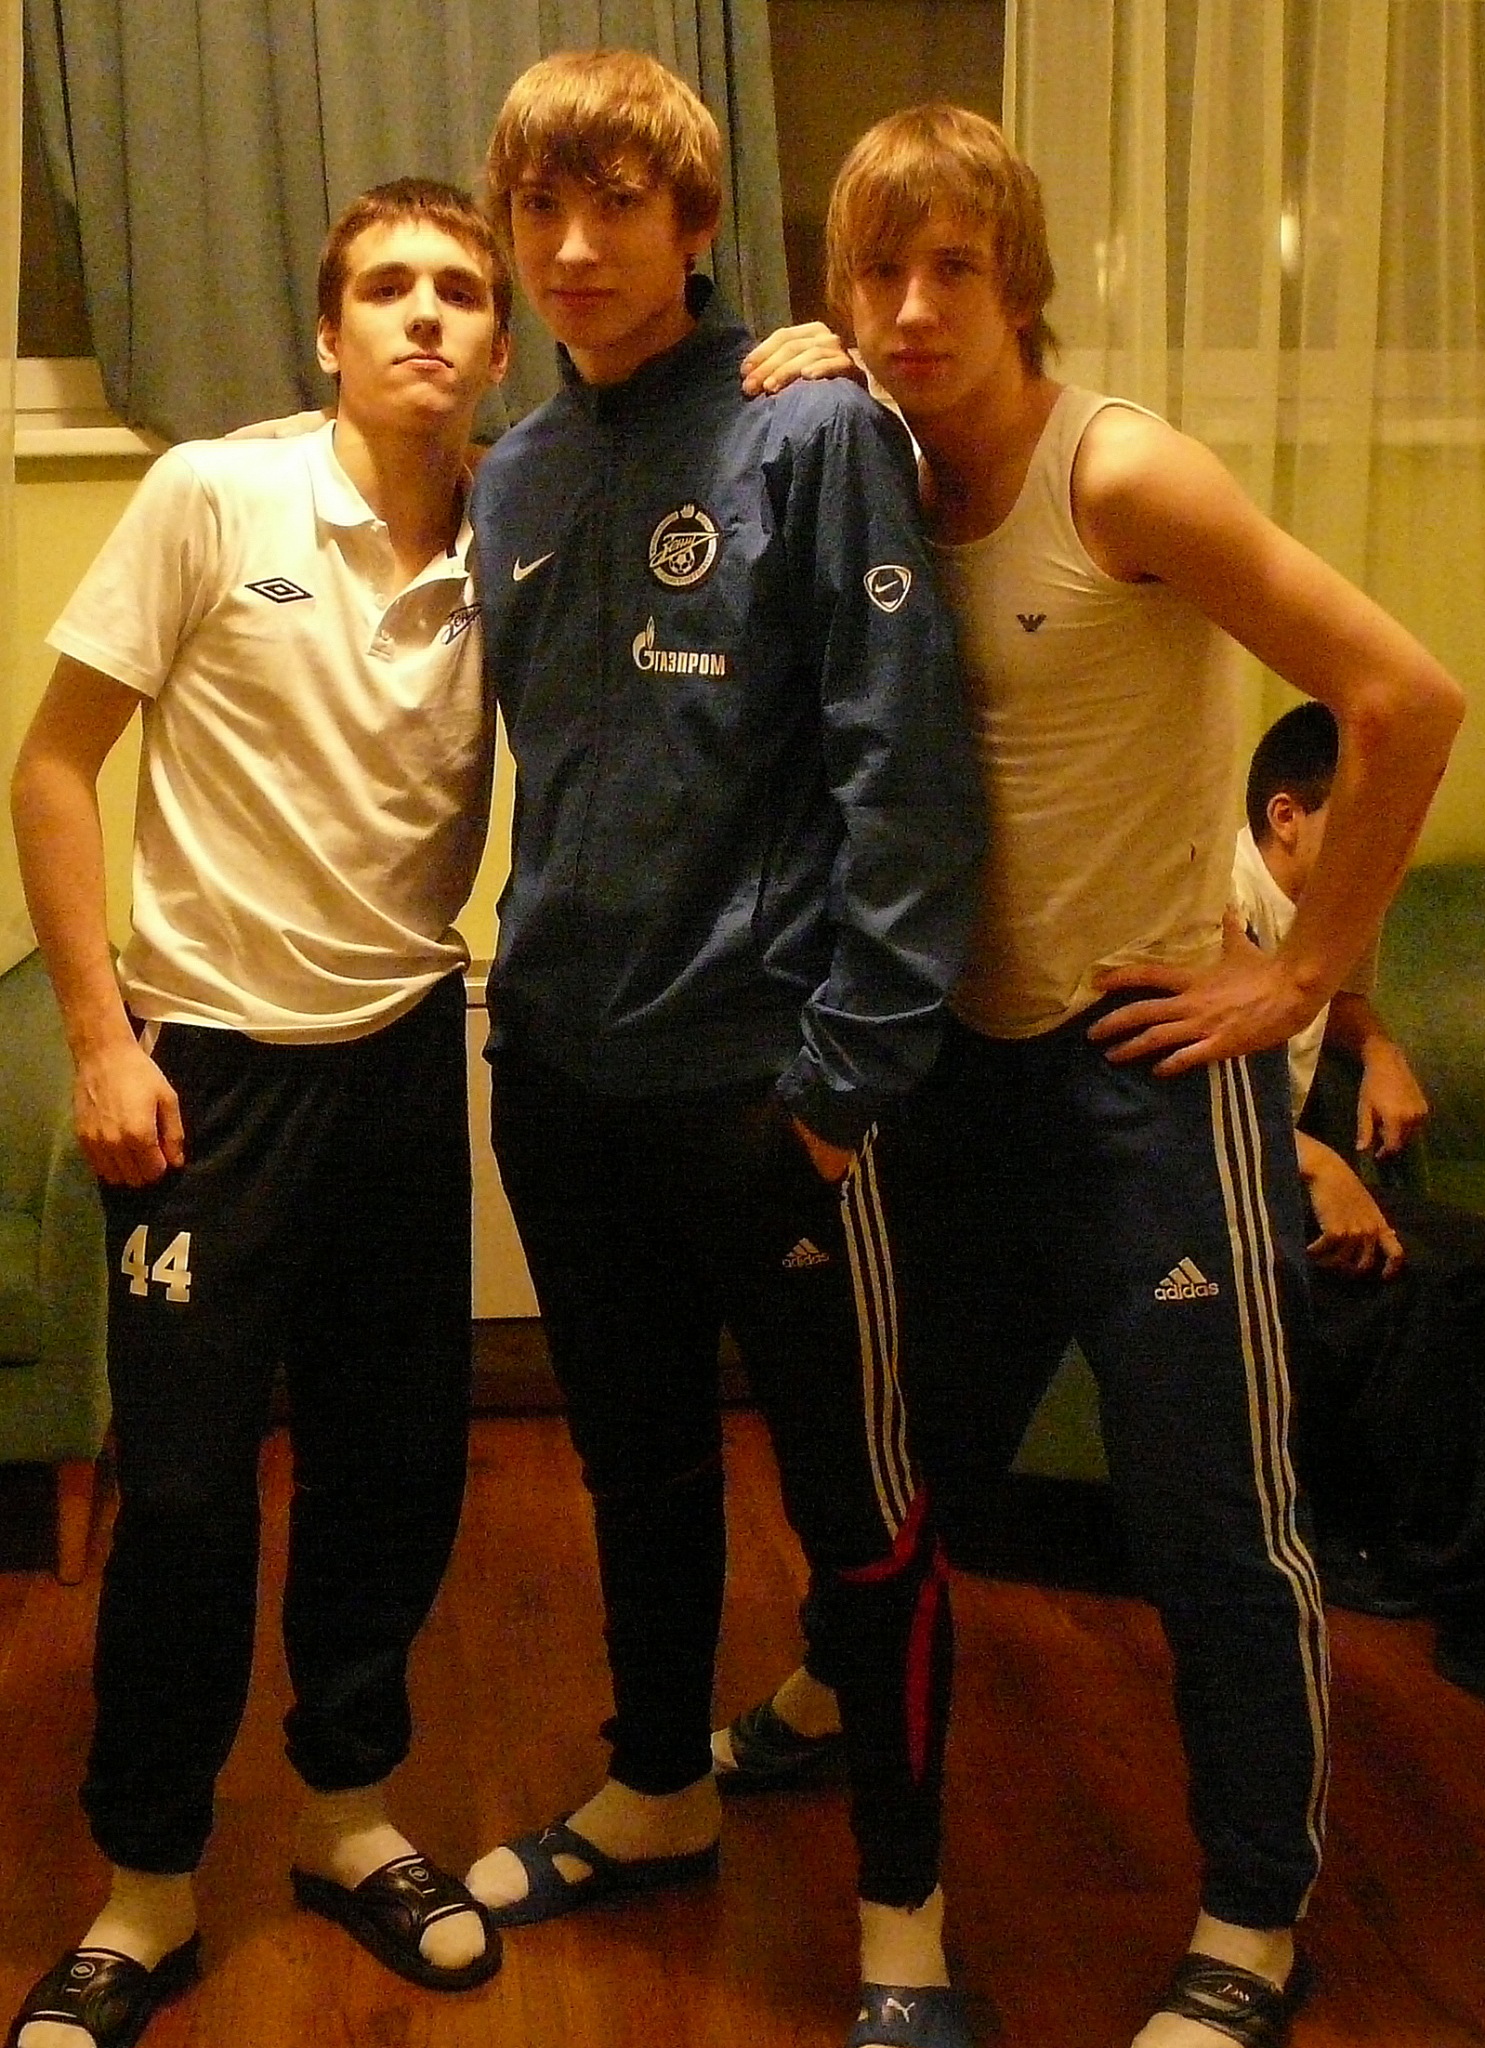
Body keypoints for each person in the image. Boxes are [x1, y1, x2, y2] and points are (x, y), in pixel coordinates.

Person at [715, 104, 1464, 2048]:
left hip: (1140, 1074)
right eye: (876, 271)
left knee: (1212, 1515)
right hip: (943, 1072)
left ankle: (1255, 1915)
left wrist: (1300, 973)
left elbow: (1403, 698)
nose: (911, 305)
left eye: (951, 267)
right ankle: (836, 1682)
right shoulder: (863, 461)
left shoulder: (1118, 470)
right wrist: (784, 375)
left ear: (1018, 282)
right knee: (905, 1464)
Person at [460, 51, 984, 2048]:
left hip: (767, 1091)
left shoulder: (810, 427)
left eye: (621, 204)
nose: (576, 245)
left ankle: (906, 1912)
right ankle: (658, 1781)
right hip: (560, 1075)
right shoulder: (514, 471)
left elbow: (902, 776)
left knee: (859, 1504)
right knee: (639, 1461)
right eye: (543, 208)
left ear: (693, 224)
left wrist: (842, 1093)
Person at [7, 179, 511, 2048]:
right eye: (386, 286)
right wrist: (100, 1039)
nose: (424, 314)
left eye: (460, 289)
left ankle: (345, 1813)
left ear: (500, 346)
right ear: (328, 330)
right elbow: (53, 768)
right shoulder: (213, 495)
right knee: (188, 1492)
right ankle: (146, 1884)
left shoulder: (521, 527)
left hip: (403, 1059)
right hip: (207, 1069)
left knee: (394, 1464)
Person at [1235, 701, 1485, 1695]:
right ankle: (1448, 1585)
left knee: (1471, 1261)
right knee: (1402, 1292)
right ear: (1287, 816)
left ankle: (1415, 1546)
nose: (1393, 848)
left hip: (1281, 1161)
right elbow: (1157, 1087)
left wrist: (1379, 1049)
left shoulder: (1344, 896)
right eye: (1373, 819)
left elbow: (1336, 999)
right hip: (1203, 1179)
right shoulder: (1210, 892)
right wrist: (1315, 1163)